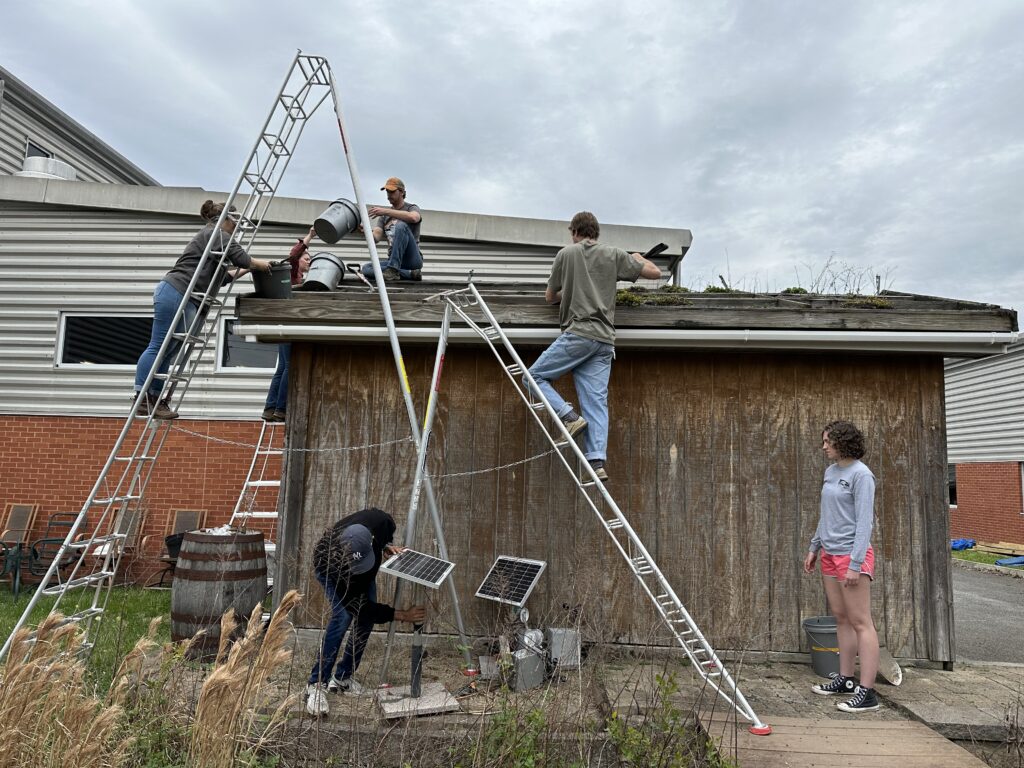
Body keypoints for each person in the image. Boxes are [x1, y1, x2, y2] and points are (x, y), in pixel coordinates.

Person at [526, 211, 661, 481]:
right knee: (596, 403)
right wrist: (637, 258)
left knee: (533, 377)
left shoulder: (567, 254)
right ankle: (596, 462)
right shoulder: (614, 254)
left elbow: (550, 297)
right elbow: (654, 272)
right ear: (595, 232)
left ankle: (567, 415)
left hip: (578, 334)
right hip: (603, 342)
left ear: (575, 232)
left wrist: (573, 290)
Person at [134, 200, 271, 419]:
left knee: (169, 351)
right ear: (224, 219)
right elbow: (243, 258)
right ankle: (141, 397)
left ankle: (155, 400)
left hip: (187, 297)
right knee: (159, 346)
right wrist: (262, 265)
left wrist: (246, 270)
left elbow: (224, 277)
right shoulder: (216, 234)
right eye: (234, 220)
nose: (236, 226)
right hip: (177, 290)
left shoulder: (216, 242)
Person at [305, 507, 425, 717]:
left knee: (364, 622)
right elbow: (363, 609)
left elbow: (385, 532)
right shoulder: (335, 564)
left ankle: (343, 678)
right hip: (338, 576)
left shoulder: (380, 522)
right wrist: (402, 615)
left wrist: (385, 545)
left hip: (363, 568)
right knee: (343, 617)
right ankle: (316, 685)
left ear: (371, 540)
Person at [803, 420, 882, 713]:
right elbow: (826, 514)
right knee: (841, 618)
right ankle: (846, 679)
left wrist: (856, 563)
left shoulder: (862, 476)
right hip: (829, 553)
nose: (824, 447)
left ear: (842, 442)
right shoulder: (831, 471)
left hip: (851, 556)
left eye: (827, 442)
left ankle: (868, 692)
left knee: (861, 622)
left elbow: (865, 523)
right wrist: (814, 546)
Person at [262, 227, 314, 422]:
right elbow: (293, 255)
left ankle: (270, 407)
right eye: (306, 258)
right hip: (287, 322)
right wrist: (311, 236)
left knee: (282, 366)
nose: (309, 261)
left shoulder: (301, 279)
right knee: (289, 365)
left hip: (283, 322)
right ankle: (281, 408)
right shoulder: (291, 273)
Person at [359, 177, 423, 282]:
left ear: (402, 192)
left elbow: (414, 217)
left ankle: (394, 270)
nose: (389, 195)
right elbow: (376, 238)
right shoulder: (384, 217)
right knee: (366, 268)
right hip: (394, 260)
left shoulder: (411, 208)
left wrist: (386, 211)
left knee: (401, 226)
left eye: (392, 191)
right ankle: (408, 274)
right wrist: (365, 232)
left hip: (412, 259)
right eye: (387, 192)